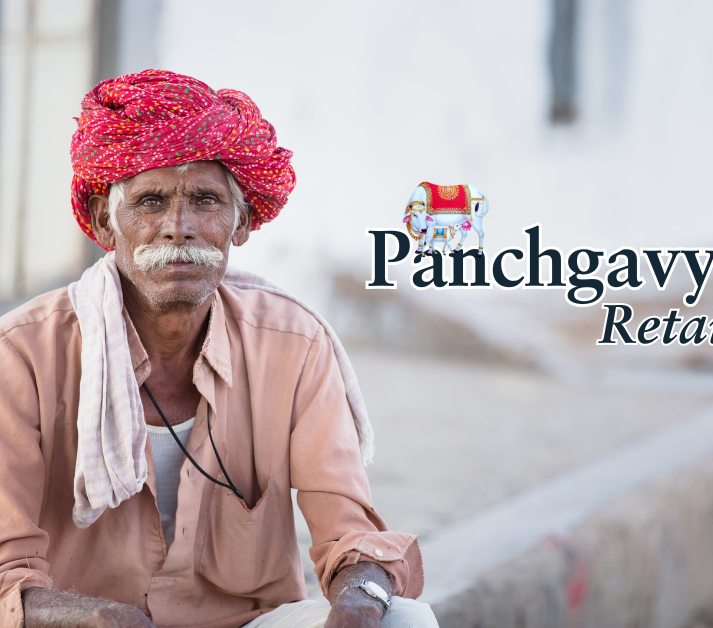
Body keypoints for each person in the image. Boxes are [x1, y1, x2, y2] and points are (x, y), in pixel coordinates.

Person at [0, 70, 436, 628]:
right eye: (150, 202)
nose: (177, 227)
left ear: (242, 223)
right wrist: (104, 619)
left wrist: (360, 599)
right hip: (85, 627)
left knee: (405, 620)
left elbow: (350, 534)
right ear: (107, 225)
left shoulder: (294, 345)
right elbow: (8, 577)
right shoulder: (23, 354)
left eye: (205, 201)